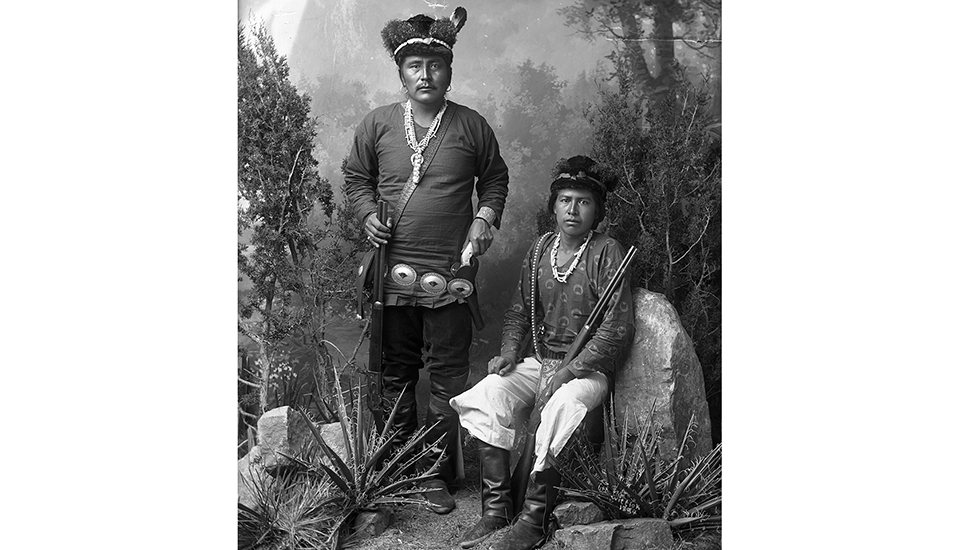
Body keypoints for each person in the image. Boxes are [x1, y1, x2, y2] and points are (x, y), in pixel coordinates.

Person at [342, 7, 509, 515]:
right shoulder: (377, 125)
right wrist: (368, 213)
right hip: (390, 277)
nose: (424, 74)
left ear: (450, 70)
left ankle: (436, 472)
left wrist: (483, 220)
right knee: (394, 374)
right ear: (401, 73)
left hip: (451, 274)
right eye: (414, 64)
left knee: (448, 378)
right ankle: (399, 469)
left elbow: (496, 181)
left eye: (434, 65)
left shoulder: (472, 126)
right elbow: (355, 179)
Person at [450, 156, 634, 550]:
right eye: (565, 199)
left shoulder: (608, 252)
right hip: (540, 363)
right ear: (553, 206)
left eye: (583, 201)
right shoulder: (540, 250)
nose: (572, 209)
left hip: (588, 373)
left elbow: (617, 328)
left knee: (561, 407)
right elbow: (519, 310)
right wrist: (508, 352)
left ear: (596, 210)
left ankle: (532, 521)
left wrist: (572, 371)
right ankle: (496, 511)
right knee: (488, 393)